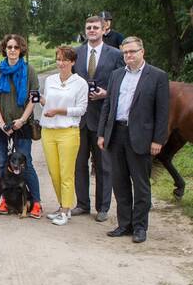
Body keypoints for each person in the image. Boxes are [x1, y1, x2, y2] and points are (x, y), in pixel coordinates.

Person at [98, 36, 170, 244]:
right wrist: (102, 133)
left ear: (142, 52)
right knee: (119, 183)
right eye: (125, 52)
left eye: (133, 51)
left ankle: (140, 227)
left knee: (140, 185)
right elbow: (107, 107)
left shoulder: (157, 76)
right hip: (116, 134)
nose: (129, 55)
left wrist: (158, 140)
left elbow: (163, 111)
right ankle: (124, 224)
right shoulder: (116, 75)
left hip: (141, 137)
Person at [73, 15, 124, 221]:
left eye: (95, 27)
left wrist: (107, 93)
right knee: (79, 163)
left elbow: (122, 82)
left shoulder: (115, 54)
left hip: (103, 116)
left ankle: (103, 207)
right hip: (80, 117)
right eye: (88, 27)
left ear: (104, 30)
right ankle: (82, 204)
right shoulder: (76, 53)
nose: (92, 30)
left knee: (104, 164)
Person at [0, 34, 42, 218]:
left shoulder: (30, 70)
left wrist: (21, 120)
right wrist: (3, 124)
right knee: (4, 163)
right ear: (5, 49)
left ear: (21, 50)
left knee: (25, 163)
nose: (12, 50)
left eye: (16, 47)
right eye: (9, 47)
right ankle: (6, 200)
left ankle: (36, 203)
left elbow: (33, 98)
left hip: (23, 124)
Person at [40, 46, 89, 225]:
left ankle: (66, 209)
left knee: (66, 172)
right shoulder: (50, 79)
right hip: (48, 130)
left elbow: (81, 109)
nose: (61, 64)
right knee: (54, 173)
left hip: (68, 131)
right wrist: (41, 101)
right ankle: (62, 206)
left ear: (72, 62)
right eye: (58, 60)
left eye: (65, 60)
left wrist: (59, 111)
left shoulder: (80, 83)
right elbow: (47, 103)